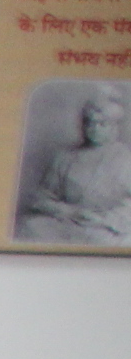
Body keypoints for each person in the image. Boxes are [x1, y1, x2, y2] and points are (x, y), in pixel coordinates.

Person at [16, 82, 131, 245]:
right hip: (69, 222)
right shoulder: (65, 157)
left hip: (106, 226)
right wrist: (70, 212)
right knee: (30, 226)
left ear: (115, 127)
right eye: (89, 123)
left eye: (102, 124)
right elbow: (41, 197)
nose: (94, 129)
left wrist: (103, 219)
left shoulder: (126, 159)